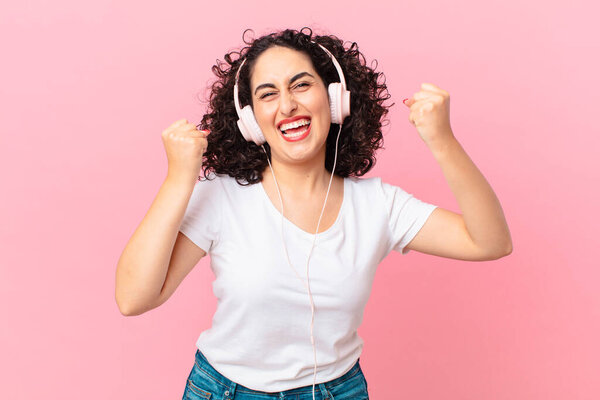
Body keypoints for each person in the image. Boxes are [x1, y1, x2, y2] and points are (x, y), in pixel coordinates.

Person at [115, 27, 513, 400]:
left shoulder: (378, 206)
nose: (287, 105)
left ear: (335, 98)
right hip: (225, 390)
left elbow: (490, 242)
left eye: (301, 85)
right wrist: (177, 180)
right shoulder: (221, 198)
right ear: (251, 120)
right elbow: (133, 299)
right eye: (268, 94)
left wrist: (441, 140)